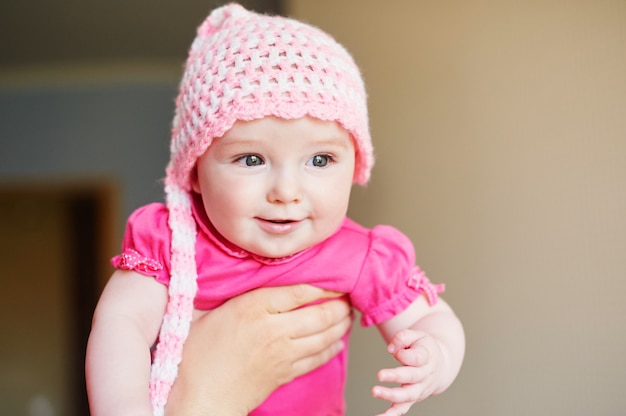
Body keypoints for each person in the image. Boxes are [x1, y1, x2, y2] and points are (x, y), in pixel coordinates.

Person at [86, 4, 465, 416]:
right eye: (251, 159)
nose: (286, 192)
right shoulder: (172, 242)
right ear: (194, 171)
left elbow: (432, 320)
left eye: (319, 160)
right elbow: (119, 325)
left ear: (354, 165)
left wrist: (435, 356)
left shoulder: (361, 255)